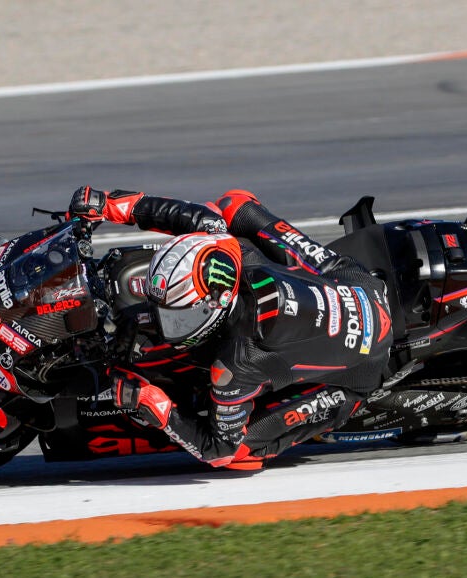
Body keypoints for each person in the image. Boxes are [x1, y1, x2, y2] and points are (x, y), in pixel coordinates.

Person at [67, 186, 395, 469]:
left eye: (177, 316)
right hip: (353, 280)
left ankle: (339, 401)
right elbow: (190, 216)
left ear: (214, 307)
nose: (162, 323)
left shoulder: (236, 364)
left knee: (237, 456)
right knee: (233, 204)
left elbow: (217, 449)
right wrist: (110, 205)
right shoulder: (228, 247)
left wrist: (154, 402)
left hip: (363, 365)